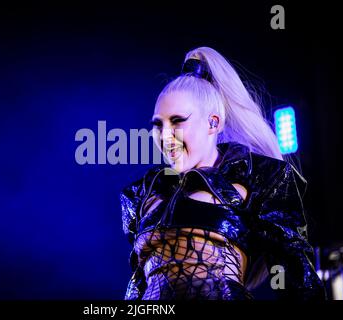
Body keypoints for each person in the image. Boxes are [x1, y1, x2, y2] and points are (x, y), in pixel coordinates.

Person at [120, 47, 326, 300]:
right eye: (158, 125)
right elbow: (138, 285)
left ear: (213, 123)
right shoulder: (141, 194)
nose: (165, 136)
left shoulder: (261, 178)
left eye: (177, 121)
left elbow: (299, 279)